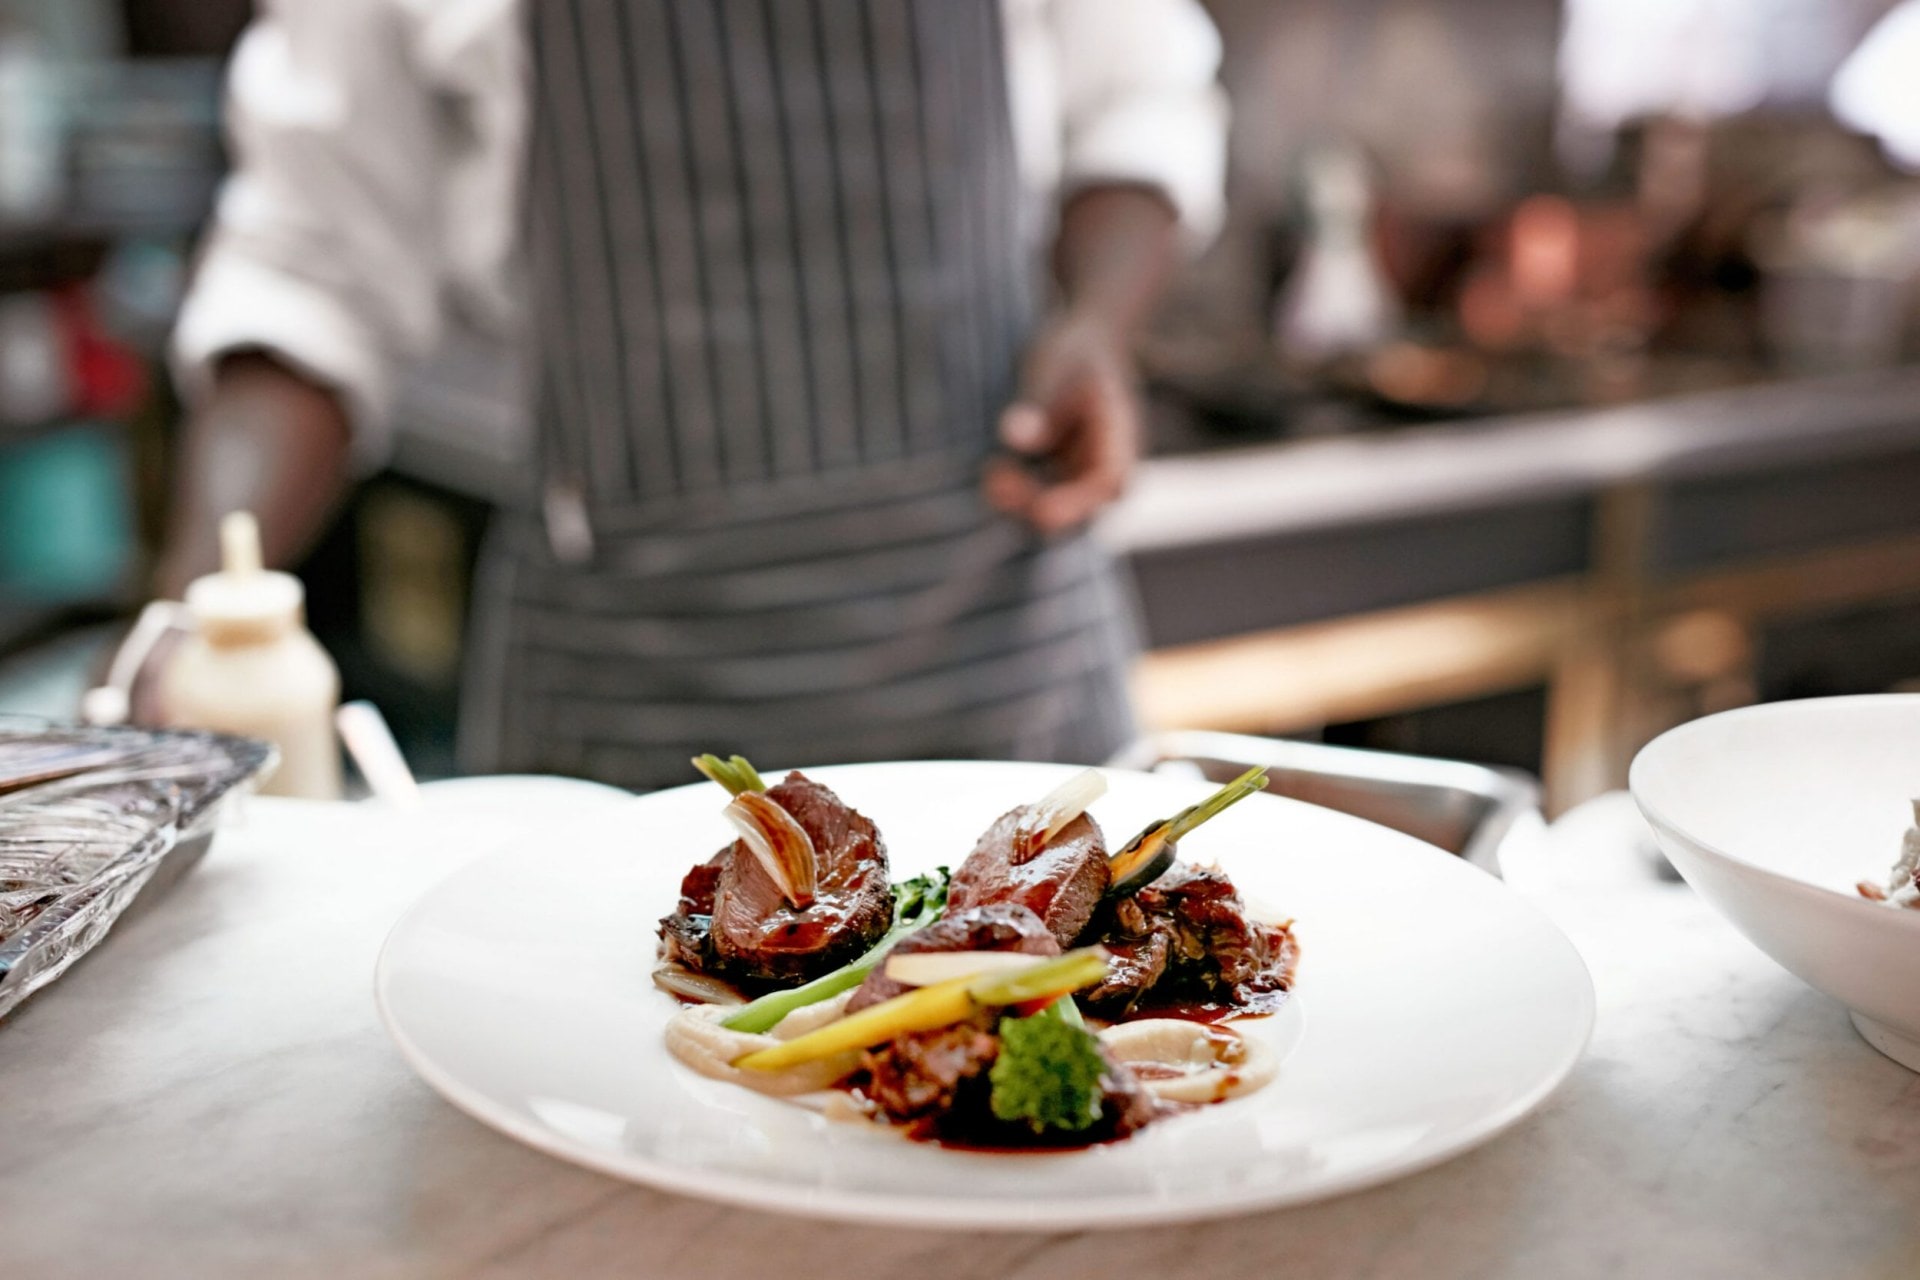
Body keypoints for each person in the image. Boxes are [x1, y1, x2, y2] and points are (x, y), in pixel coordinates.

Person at [160, 0, 1227, 791]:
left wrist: (1093, 325)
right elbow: (313, 265)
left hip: (998, 642)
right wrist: (181, 625)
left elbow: (1134, 99)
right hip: (626, 686)